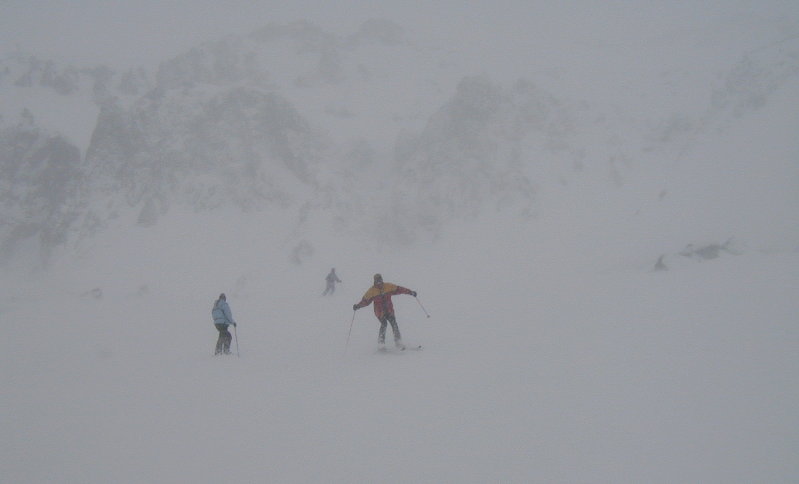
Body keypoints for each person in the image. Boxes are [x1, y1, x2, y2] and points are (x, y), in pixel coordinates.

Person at [353, 273, 417, 350]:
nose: (379, 283)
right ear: (375, 281)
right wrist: (358, 306)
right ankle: (381, 343)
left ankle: (398, 342)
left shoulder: (388, 286)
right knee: (384, 324)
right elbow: (365, 301)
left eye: (380, 280)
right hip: (380, 312)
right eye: (377, 281)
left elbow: (399, 289)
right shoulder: (371, 291)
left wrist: (410, 292)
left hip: (389, 310)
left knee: (394, 324)